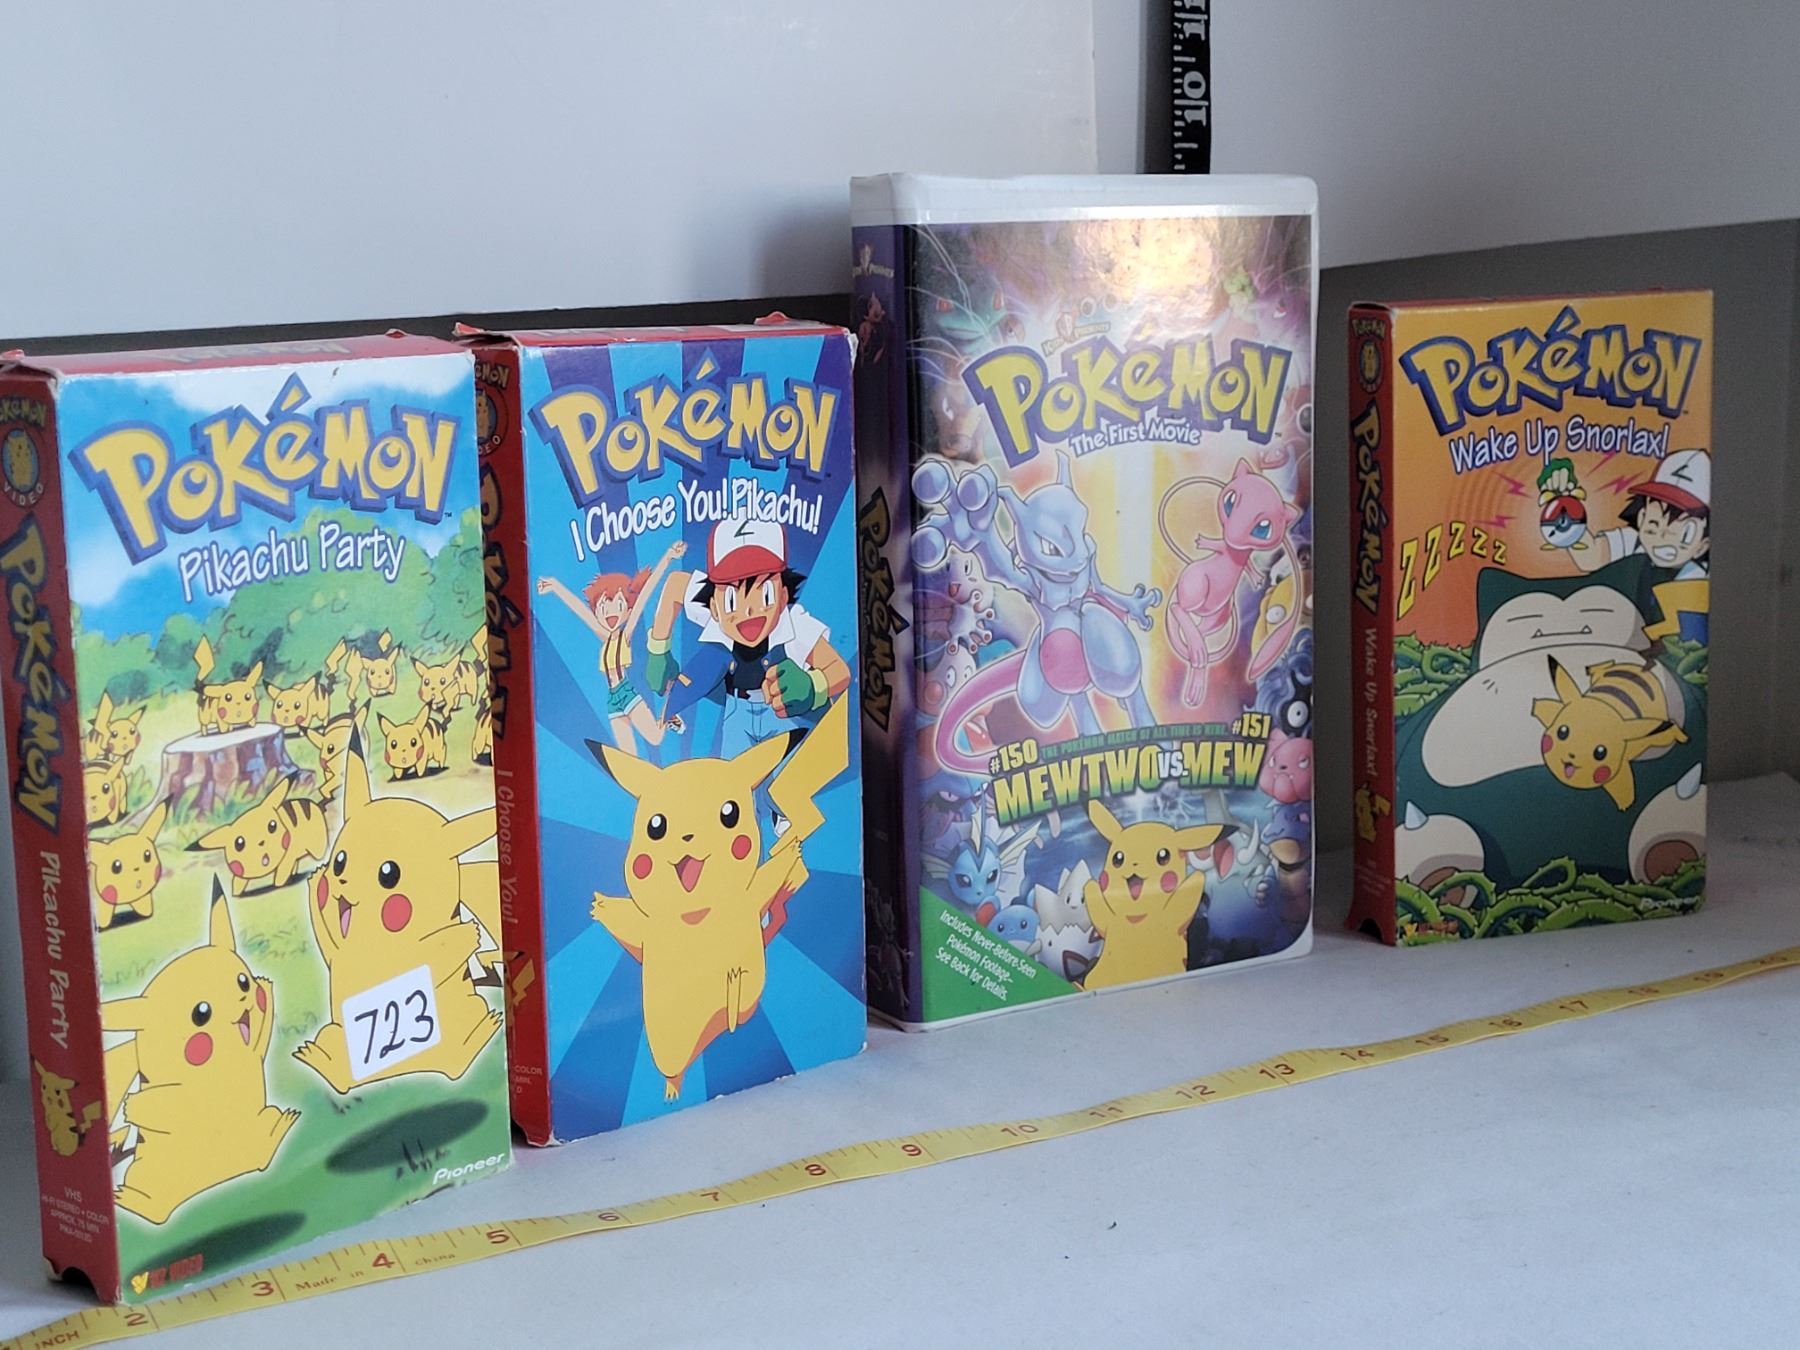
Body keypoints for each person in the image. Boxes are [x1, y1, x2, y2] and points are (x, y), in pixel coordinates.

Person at [645, 518, 850, 826]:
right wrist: (658, 649)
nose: (748, 610)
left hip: (782, 716)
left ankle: (783, 818)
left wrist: (813, 686)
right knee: (735, 792)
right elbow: (675, 584)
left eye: (764, 594)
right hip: (737, 712)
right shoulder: (712, 607)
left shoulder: (796, 623)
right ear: (715, 605)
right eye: (731, 598)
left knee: (785, 790)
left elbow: (839, 671)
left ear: (783, 595)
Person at [536, 539, 685, 754]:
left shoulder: (625, 634)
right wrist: (555, 586)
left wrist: (668, 557)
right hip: (612, 699)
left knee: (655, 737)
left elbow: (644, 595)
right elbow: (579, 610)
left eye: (618, 604)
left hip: (627, 693)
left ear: (627, 609)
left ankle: (668, 714)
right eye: (604, 606)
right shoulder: (603, 635)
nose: (611, 612)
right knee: (628, 754)